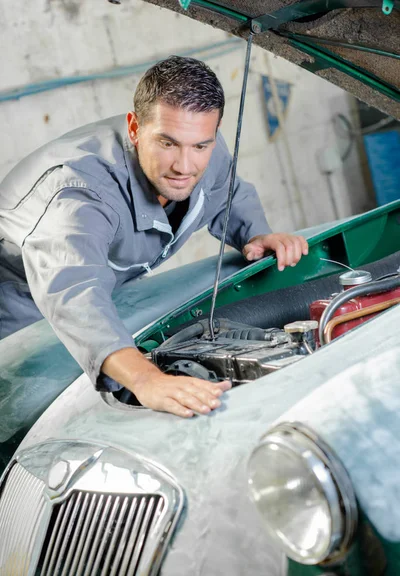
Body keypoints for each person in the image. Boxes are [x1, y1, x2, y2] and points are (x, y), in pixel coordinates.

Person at [0, 56, 308, 417]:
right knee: (20, 415)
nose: (184, 165)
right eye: (167, 144)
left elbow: (225, 189)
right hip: (19, 310)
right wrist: (146, 379)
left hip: (99, 298)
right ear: (134, 128)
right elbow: (74, 293)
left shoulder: (199, 142)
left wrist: (256, 233)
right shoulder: (78, 193)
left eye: (200, 146)